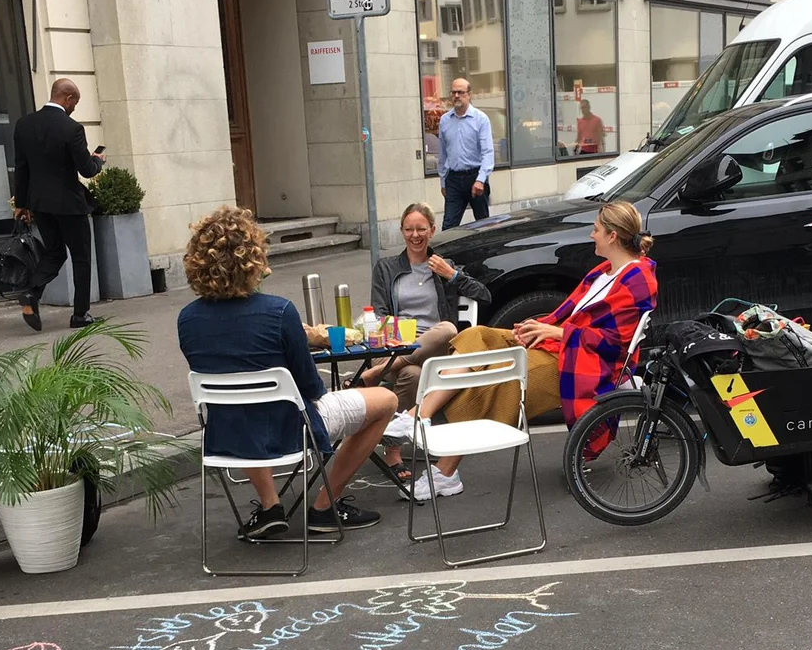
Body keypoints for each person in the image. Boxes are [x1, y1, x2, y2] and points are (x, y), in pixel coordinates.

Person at [408, 200, 657, 499]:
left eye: (596, 230)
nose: (592, 235)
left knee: (502, 379)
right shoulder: (606, 271)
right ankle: (418, 415)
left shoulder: (638, 278)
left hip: (584, 362)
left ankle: (445, 472)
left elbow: (614, 343)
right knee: (478, 335)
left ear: (613, 236)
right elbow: (569, 315)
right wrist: (538, 328)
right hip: (562, 346)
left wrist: (556, 331)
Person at [177, 206, 394, 538]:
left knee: (243, 409)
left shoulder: (188, 320)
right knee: (387, 400)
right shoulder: (278, 311)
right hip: (291, 430)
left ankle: (269, 506)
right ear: (253, 258)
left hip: (229, 434)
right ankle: (324, 506)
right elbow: (312, 388)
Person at [356, 203, 490, 487]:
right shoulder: (387, 267)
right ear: (402, 231)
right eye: (409, 229)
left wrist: (451, 275)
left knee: (448, 329)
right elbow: (379, 313)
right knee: (413, 376)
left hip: (434, 349)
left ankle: (380, 377)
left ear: (432, 230)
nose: (415, 235)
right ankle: (393, 448)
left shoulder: (443, 265)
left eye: (421, 229)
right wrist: (394, 339)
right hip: (395, 346)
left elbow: (484, 294)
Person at [12, 78, 104, 331]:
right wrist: (98, 160)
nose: (74, 108)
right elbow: (86, 170)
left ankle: (31, 293)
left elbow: (21, 168)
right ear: (68, 99)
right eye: (75, 102)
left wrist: (21, 203)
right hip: (69, 204)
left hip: (39, 203)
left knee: (54, 252)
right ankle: (80, 315)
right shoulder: (72, 128)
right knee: (81, 256)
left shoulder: (24, 125)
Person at [437, 78, 493, 230]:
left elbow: (488, 152)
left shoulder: (481, 119)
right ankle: (447, 254)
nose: (456, 96)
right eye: (453, 92)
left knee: (483, 225)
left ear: (469, 95)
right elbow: (442, 154)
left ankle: (484, 253)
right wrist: (443, 181)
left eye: (460, 92)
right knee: (448, 226)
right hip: (453, 179)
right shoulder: (444, 121)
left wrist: (481, 179)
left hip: (475, 177)